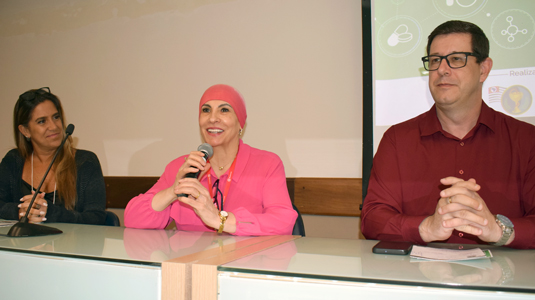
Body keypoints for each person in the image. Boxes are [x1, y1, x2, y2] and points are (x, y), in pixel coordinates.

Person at [361, 20, 535, 249]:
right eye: (435, 61)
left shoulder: (526, 140)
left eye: (455, 59)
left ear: (484, 69)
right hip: (419, 280)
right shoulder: (397, 140)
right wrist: (426, 227)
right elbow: (372, 220)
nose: (442, 69)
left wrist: (497, 229)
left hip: (505, 280)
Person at [124, 84, 297, 235]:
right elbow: (132, 219)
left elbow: (283, 223)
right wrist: (173, 190)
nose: (212, 118)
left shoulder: (267, 164)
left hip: (244, 268)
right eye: (206, 110)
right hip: (192, 267)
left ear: (240, 123)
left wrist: (220, 220)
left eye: (224, 110)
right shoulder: (182, 167)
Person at [0, 87, 106, 224]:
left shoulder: (85, 161)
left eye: (56, 117)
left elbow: (96, 218)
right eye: (42, 121)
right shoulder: (14, 160)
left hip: (71, 245)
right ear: (25, 130)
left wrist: (51, 213)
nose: (54, 126)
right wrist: (20, 211)